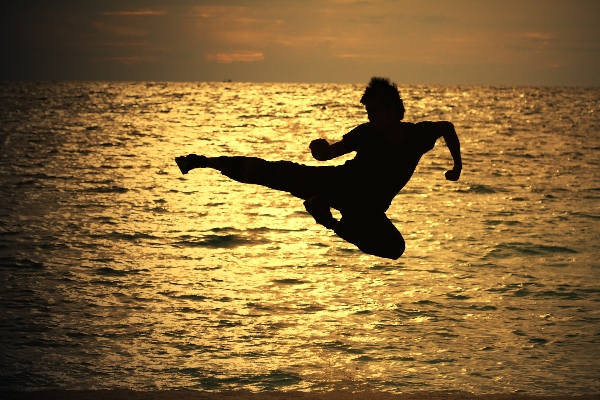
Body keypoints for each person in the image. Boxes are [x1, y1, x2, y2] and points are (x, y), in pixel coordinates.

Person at [175, 77, 462, 260]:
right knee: (271, 173)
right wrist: (320, 149)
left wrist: (456, 167)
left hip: (367, 209)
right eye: (368, 112)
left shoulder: (418, 135)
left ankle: (325, 218)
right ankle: (201, 161)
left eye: (375, 111)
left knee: (393, 249)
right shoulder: (365, 134)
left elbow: (447, 128)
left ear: (392, 109)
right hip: (337, 185)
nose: (371, 116)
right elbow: (330, 154)